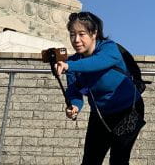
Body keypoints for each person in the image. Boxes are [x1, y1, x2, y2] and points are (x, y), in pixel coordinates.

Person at [53, 12, 144, 165]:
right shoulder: (74, 62)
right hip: (100, 115)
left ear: (94, 33)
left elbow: (97, 63)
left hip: (129, 110)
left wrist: (69, 66)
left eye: (82, 34)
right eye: (72, 35)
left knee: (118, 160)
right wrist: (75, 105)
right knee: (90, 161)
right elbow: (75, 90)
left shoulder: (109, 49)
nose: (76, 40)